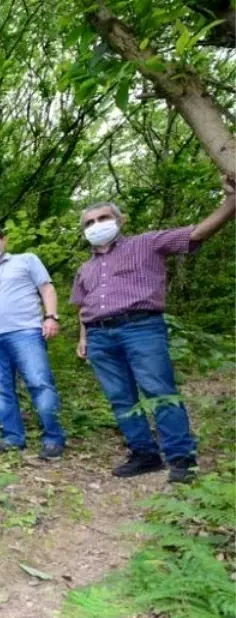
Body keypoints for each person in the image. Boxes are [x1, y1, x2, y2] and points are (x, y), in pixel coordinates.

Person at [71, 178, 236, 483]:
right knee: (120, 398)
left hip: (141, 327)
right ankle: (144, 454)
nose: (97, 225)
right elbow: (83, 306)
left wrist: (231, 203)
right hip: (99, 336)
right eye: (89, 222)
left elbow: (196, 233)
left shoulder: (146, 243)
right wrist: (83, 339)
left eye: (103, 218)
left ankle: (181, 458)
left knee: (159, 391)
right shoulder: (85, 269)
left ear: (120, 220)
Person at [0, 225, 66, 459]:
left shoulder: (26, 260)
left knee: (39, 383)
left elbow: (46, 288)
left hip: (26, 332)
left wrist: (51, 316)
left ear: (4, 241)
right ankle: (12, 437)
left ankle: (53, 438)